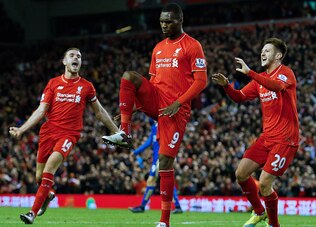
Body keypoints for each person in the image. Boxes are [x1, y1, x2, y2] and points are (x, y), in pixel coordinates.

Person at [102, 3, 207, 227]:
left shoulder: (192, 46)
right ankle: (125, 132)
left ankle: (164, 222)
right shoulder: (158, 47)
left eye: (168, 21)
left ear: (179, 21)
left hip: (176, 109)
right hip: (157, 99)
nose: (163, 25)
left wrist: (178, 103)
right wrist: (129, 108)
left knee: (165, 163)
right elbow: (151, 84)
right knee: (129, 77)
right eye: (161, 21)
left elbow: (201, 82)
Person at [9, 48, 127, 224]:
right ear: (64, 61)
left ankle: (31, 213)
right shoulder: (53, 84)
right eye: (72, 56)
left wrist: (115, 131)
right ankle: (48, 195)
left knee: (49, 169)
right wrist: (22, 129)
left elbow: (99, 112)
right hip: (48, 133)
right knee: (39, 177)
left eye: (79, 56)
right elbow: (41, 110)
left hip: (68, 135)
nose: (76, 58)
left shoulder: (86, 86)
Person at [212, 38, 299, 227]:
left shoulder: (285, 73)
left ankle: (273, 225)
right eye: (262, 50)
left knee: (265, 182)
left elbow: (276, 87)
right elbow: (239, 97)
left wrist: (250, 72)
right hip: (267, 137)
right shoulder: (259, 80)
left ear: (278, 55)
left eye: (267, 50)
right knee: (241, 174)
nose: (263, 53)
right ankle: (259, 211)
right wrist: (227, 86)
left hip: (285, 139)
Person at [128, 118, 183, 214]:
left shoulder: (165, 126)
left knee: (153, 181)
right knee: (159, 181)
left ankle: (142, 206)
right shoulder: (154, 128)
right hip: (156, 159)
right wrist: (136, 152)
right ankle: (177, 206)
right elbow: (149, 142)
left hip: (161, 158)